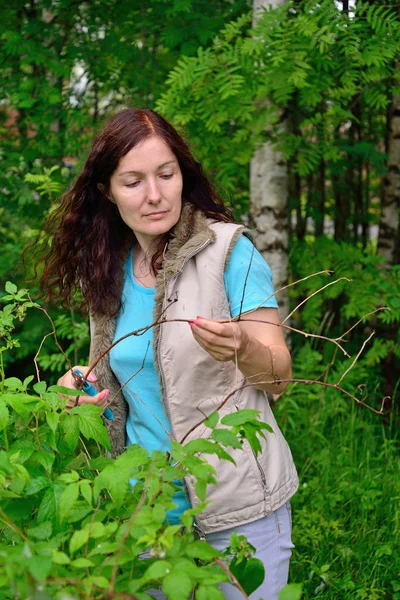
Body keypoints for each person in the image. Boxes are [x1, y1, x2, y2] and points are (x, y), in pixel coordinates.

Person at [40, 108, 298, 600]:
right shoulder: (110, 268)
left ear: (184, 174)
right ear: (107, 192)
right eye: (133, 181)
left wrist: (243, 347)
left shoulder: (228, 252)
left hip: (236, 506)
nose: (155, 195)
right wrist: (79, 386)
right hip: (148, 512)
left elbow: (280, 378)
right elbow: (121, 372)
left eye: (166, 174)